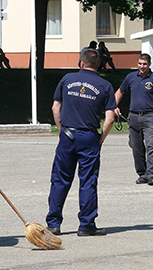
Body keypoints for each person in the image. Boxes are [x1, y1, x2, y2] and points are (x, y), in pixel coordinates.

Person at [45, 48, 116, 237]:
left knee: (60, 179)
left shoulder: (67, 79)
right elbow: (109, 119)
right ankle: (86, 224)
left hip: (68, 135)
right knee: (88, 181)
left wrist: (62, 130)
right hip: (89, 137)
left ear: (81, 63)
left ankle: (53, 223)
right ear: (99, 64)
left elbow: (55, 107)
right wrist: (101, 138)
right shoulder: (105, 85)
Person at [115, 53, 153, 186]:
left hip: (149, 117)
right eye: (140, 64)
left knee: (151, 146)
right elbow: (120, 92)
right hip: (133, 117)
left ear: (149, 64)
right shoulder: (131, 77)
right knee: (136, 146)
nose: (142, 66)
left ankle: (151, 175)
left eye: (144, 64)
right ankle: (142, 174)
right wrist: (113, 106)